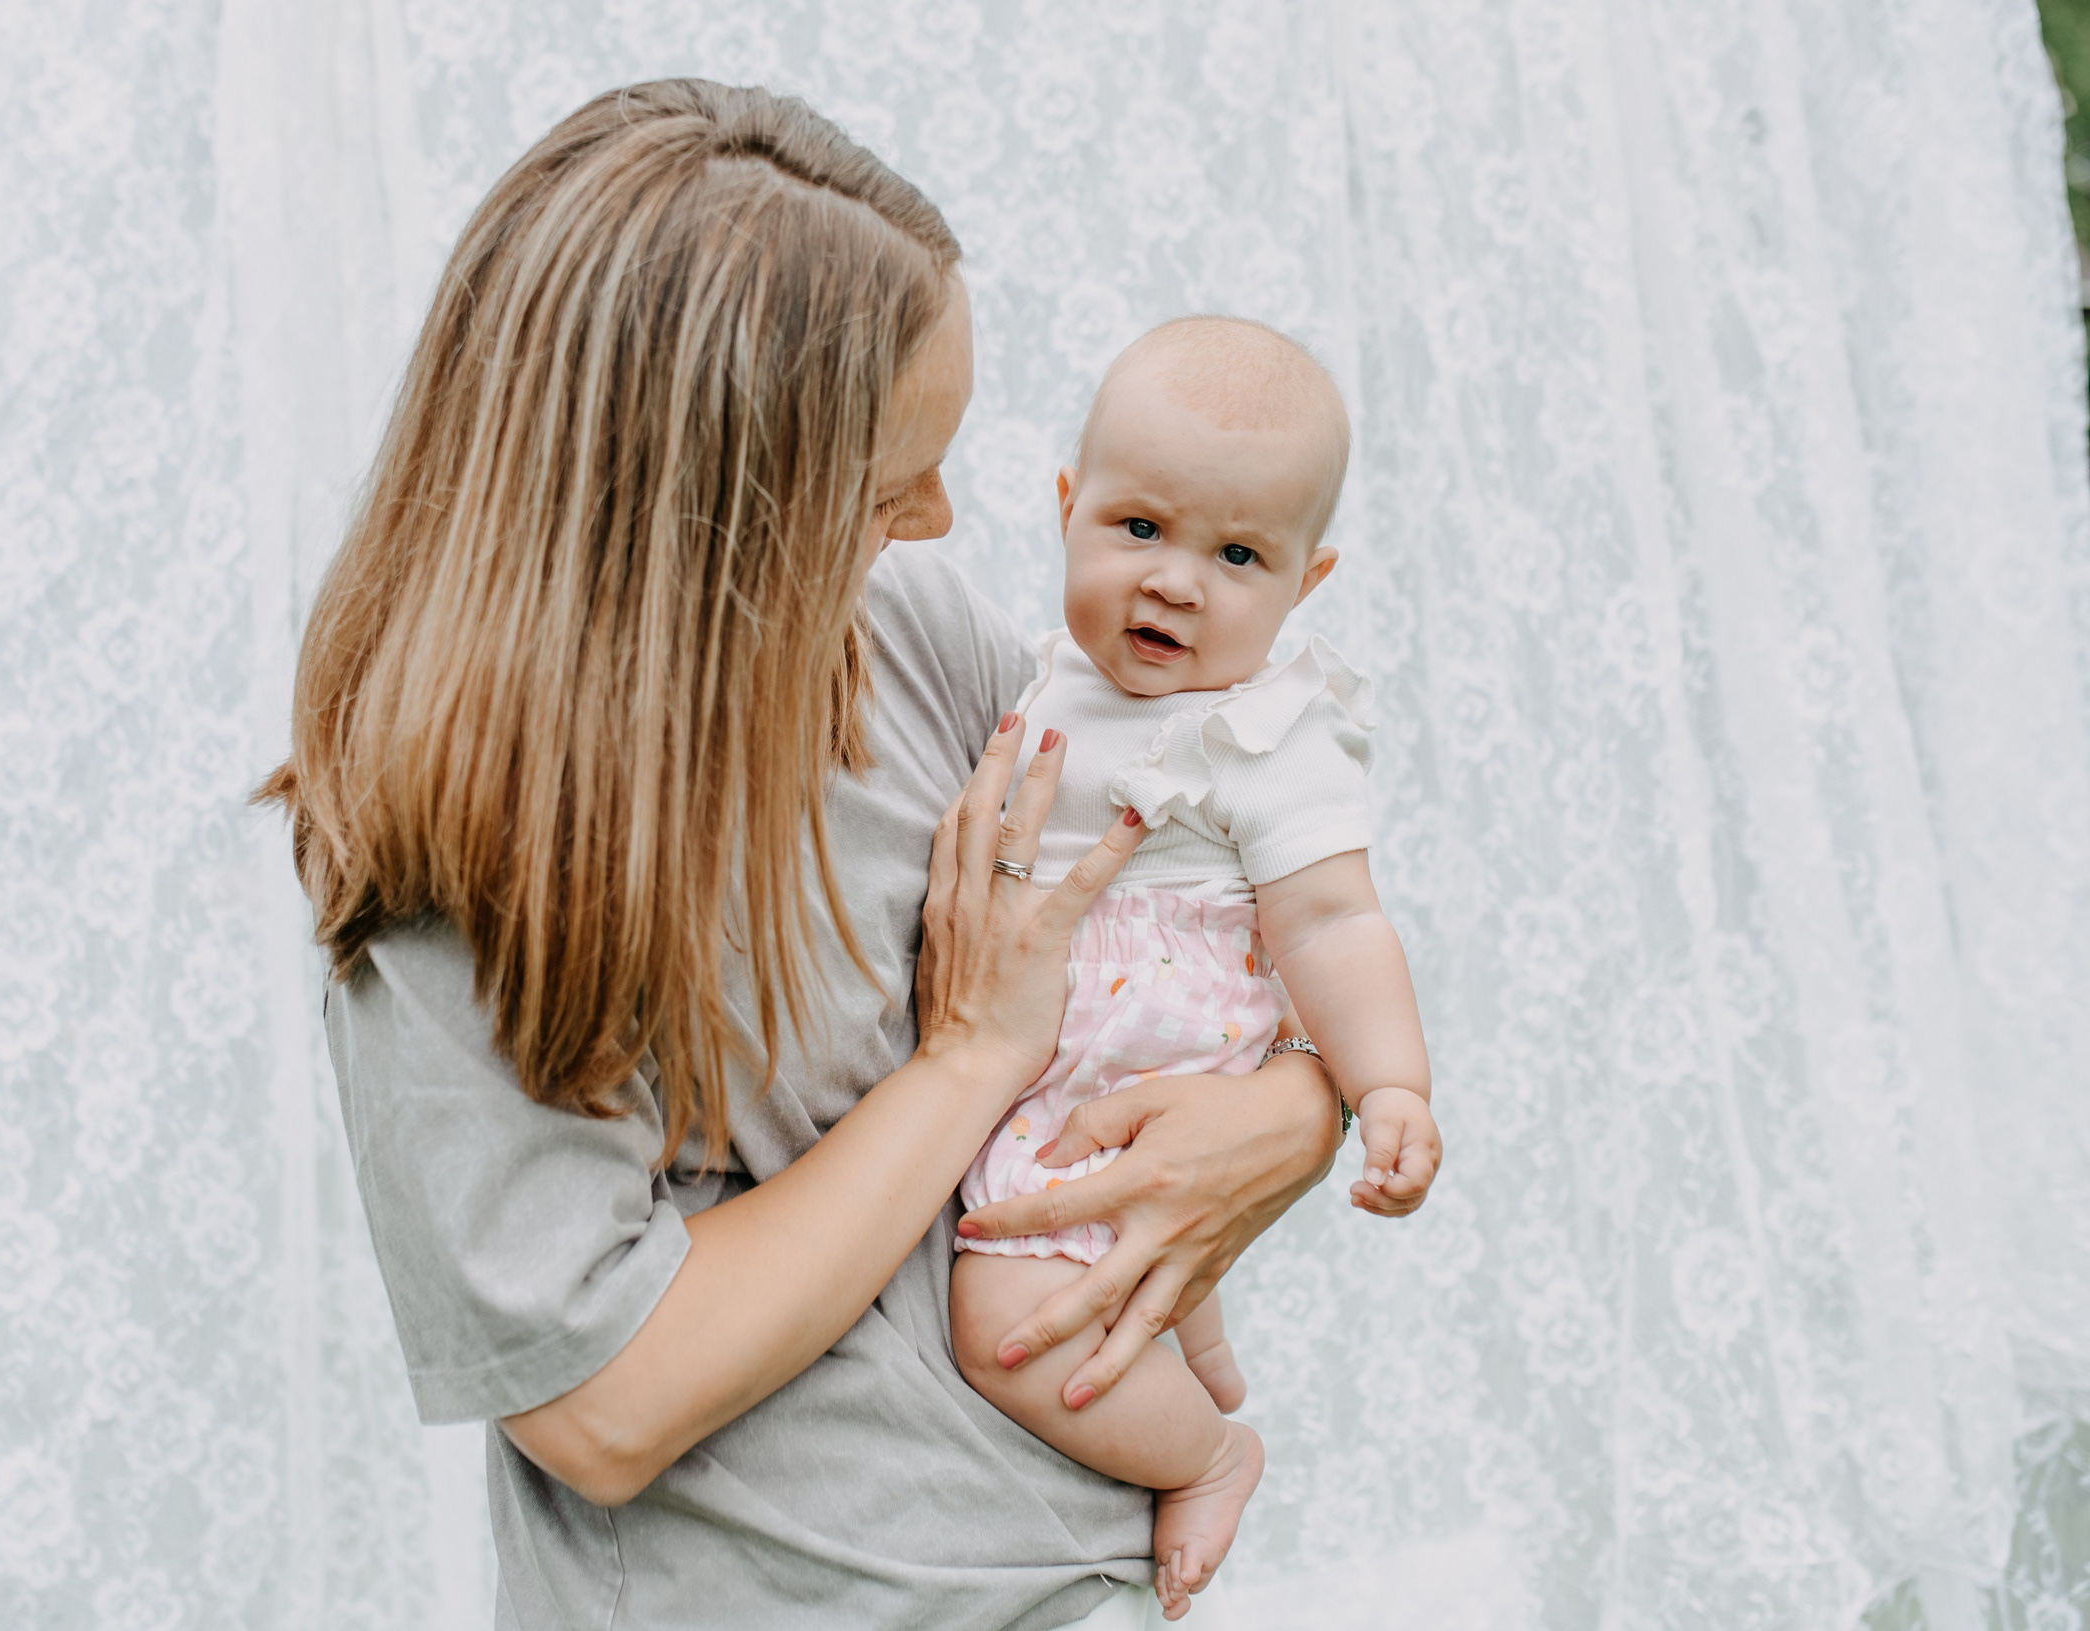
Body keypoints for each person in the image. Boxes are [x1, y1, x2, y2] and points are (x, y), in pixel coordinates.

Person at [262, 80, 1344, 1631]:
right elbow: (604, 1404)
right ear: (696, 517)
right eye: (884, 475)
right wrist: (967, 1065)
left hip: (1091, 1578)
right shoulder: (454, 867)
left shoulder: (904, 643)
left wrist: (1301, 1110)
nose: (937, 517)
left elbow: (1245, 878)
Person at [946, 317, 1441, 1618]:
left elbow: (1332, 921)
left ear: (1304, 583)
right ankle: (1193, 1376)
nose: (1176, 582)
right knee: (1144, 1288)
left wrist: (1386, 1087)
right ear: (1066, 510)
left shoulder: (1264, 734)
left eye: (1236, 556)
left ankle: (1212, 1452)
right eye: (1139, 530)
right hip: (1048, 1051)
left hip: (1147, 1061)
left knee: (1006, 1318)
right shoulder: (1028, 676)